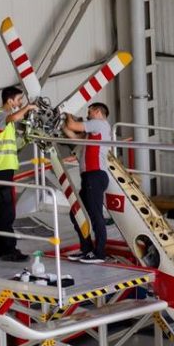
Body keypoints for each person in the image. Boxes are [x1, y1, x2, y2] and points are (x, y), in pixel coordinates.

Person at [61, 102, 113, 263]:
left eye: (89, 112)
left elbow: (73, 125)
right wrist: (62, 120)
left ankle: (99, 253)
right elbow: (73, 134)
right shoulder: (93, 132)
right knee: (76, 214)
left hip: (95, 176)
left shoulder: (99, 124)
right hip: (90, 177)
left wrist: (66, 111)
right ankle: (87, 249)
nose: (88, 115)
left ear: (98, 112)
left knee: (96, 215)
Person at [0, 86, 35, 262]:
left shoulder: (2, 121)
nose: (20, 103)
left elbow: (12, 144)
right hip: (0, 169)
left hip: (0, 168)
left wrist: (27, 137)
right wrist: (29, 108)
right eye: (18, 100)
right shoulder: (0, 115)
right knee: (7, 211)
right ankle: (9, 249)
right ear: (9, 101)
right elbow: (15, 116)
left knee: (0, 211)